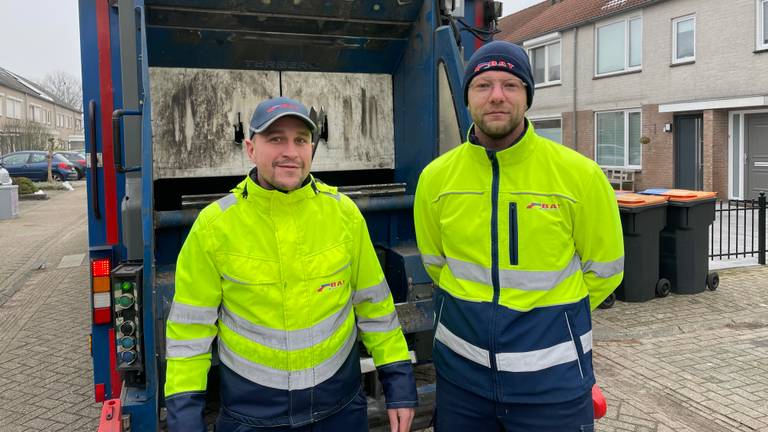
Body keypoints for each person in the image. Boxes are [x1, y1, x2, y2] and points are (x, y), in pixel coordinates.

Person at [165, 96, 417, 432]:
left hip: (340, 412)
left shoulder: (343, 216)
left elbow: (376, 309)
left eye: (300, 140)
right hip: (253, 419)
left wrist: (399, 386)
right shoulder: (214, 227)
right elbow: (189, 334)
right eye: (276, 139)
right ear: (251, 149)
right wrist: (185, 419)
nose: (290, 151)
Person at [414, 41, 624, 431]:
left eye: (510, 85)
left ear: (527, 95)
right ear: (467, 98)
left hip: (552, 384)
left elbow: (605, 271)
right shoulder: (436, 179)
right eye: (483, 85)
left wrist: (551, 320)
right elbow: (437, 264)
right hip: (462, 383)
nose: (497, 96)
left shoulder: (580, 176)